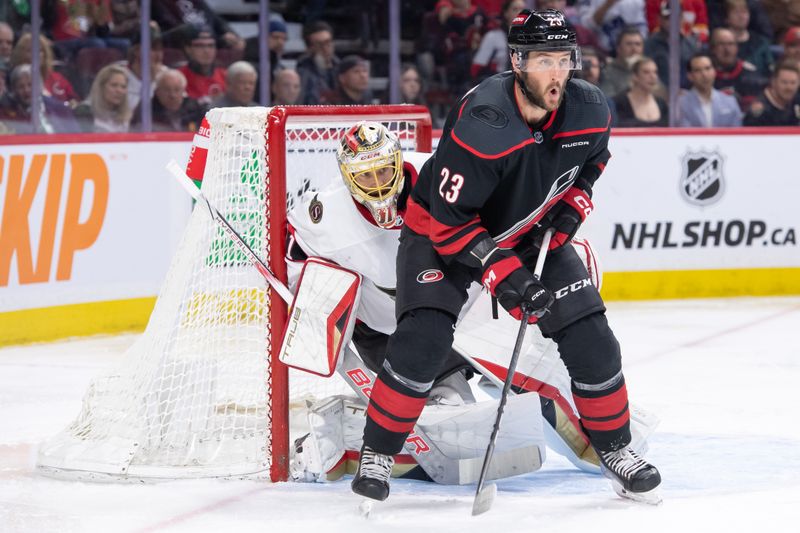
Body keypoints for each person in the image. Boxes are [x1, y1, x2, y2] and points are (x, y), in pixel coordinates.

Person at [351, 9, 661, 504]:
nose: (557, 73)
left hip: (528, 231)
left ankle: (617, 451)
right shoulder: (482, 122)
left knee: (591, 336)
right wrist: (508, 277)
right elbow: (451, 223)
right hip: (439, 231)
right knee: (423, 340)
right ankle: (379, 454)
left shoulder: (590, 109)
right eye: (544, 60)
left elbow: (594, 162)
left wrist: (573, 207)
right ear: (517, 61)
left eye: (564, 59)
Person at [0, 63, 79, 134]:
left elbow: (76, 138)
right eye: (21, 87)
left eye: (30, 85)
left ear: (39, 86)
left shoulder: (60, 109)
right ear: (14, 90)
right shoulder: (6, 112)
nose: (26, 90)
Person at [677, 52, 743, 127]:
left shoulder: (730, 102)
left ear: (714, 71)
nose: (704, 74)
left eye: (707, 68)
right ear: (690, 76)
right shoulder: (681, 104)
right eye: (698, 70)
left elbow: (737, 134)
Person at [709, 27, 766, 110]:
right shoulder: (704, 72)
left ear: (737, 48)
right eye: (721, 44)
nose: (727, 49)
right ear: (713, 48)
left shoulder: (750, 72)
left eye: (731, 44)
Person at [131, 68, 205, 132]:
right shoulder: (146, 109)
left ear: (183, 91)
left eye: (177, 90)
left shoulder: (195, 108)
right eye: (167, 90)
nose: (172, 95)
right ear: (157, 91)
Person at [471, 0, 526, 82]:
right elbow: (477, 68)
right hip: (498, 84)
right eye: (515, 9)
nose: (520, 13)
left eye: (523, 10)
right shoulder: (493, 37)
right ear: (506, 13)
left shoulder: (532, 38)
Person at [73, 63, 132, 132]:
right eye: (114, 85)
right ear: (101, 87)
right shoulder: (84, 112)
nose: (119, 91)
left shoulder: (126, 117)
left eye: (123, 87)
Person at [178, 24, 227, 106]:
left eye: (211, 46)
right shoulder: (178, 78)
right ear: (188, 49)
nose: (206, 51)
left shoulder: (226, 76)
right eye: (200, 46)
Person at [613, 56, 669, 127]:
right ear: (635, 76)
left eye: (655, 72)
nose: (653, 76)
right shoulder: (620, 103)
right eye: (646, 72)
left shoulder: (662, 104)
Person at [724, 0, 774, 78]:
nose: (741, 16)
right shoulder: (721, 42)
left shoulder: (760, 42)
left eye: (744, 12)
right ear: (727, 18)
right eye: (736, 12)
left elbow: (770, 68)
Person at [743, 60, 800, 126]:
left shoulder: (797, 102)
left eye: (793, 83)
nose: (789, 88)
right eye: (784, 82)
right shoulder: (760, 111)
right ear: (773, 82)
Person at [296, 21, 339, 105]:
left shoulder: (341, 68)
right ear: (309, 48)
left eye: (328, 42)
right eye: (320, 44)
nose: (325, 48)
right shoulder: (303, 73)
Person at [599, 26, 645, 98]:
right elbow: (609, 102)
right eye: (629, 44)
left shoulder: (649, 70)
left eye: (637, 44)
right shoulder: (607, 72)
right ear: (618, 48)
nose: (634, 49)